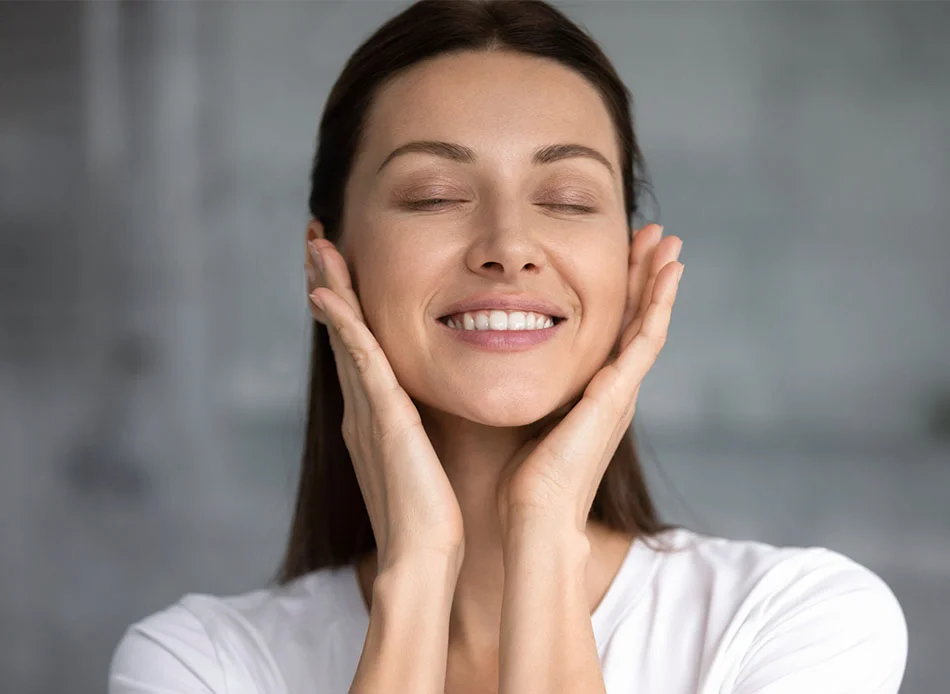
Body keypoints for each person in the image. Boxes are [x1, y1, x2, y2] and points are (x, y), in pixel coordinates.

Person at [108, 1, 908, 692]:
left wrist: (545, 532)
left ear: (630, 265)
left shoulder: (798, 623)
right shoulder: (199, 664)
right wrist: (416, 573)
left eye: (567, 199)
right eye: (435, 195)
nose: (509, 245)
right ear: (329, 261)